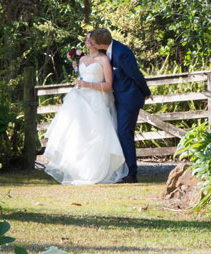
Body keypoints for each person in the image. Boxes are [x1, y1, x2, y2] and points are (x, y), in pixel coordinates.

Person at [43, 33, 128, 185]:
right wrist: (77, 73)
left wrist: (89, 85)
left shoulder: (104, 60)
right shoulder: (82, 59)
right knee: (78, 134)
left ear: (97, 42)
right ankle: (78, 170)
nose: (88, 41)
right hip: (79, 99)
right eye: (86, 39)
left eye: (91, 39)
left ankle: (96, 170)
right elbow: (82, 77)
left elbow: (109, 84)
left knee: (96, 135)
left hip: (97, 100)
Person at [88, 27, 150, 184]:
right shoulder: (107, 52)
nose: (91, 44)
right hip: (118, 98)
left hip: (129, 98)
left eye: (93, 42)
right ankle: (123, 170)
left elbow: (135, 74)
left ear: (100, 43)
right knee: (119, 132)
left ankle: (131, 173)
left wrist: (145, 92)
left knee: (124, 132)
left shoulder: (121, 52)